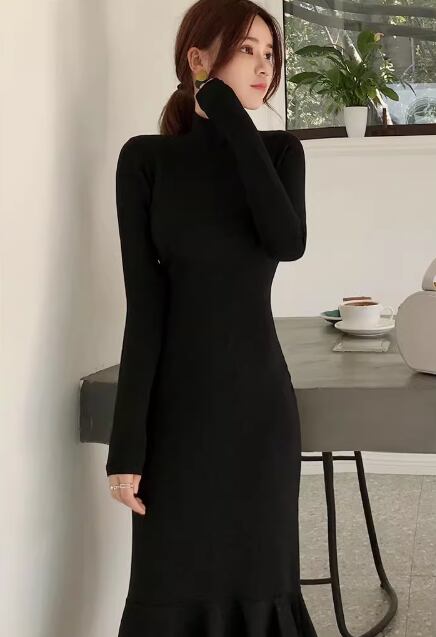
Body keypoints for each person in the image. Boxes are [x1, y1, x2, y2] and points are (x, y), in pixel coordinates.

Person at [106, 0, 318, 634]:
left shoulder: (279, 152)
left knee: (260, 584)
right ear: (197, 58)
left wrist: (229, 116)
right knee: (169, 583)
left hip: (258, 413)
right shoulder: (145, 160)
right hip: (177, 418)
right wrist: (126, 446)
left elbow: (287, 240)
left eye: (269, 53)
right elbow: (144, 308)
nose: (264, 66)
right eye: (246, 50)